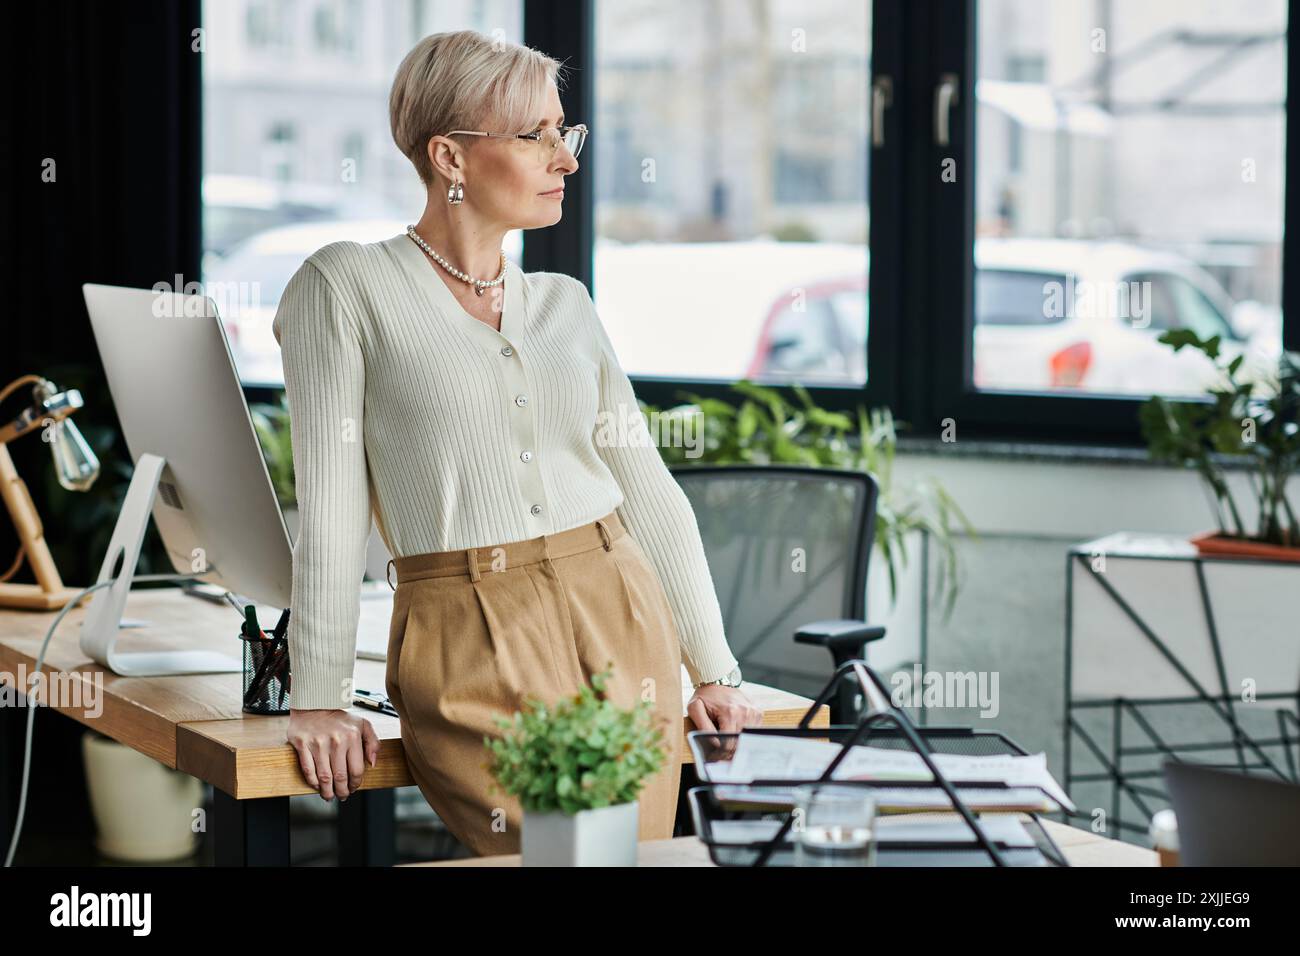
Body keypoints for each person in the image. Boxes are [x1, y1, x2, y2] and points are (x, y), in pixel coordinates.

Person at [272, 29, 761, 856]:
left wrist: (713, 669)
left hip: (617, 609)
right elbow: (331, 505)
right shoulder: (345, 286)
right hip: (461, 630)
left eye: (562, 132)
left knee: (622, 856)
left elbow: (648, 493)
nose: (564, 159)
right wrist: (318, 692)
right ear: (450, 158)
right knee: (543, 853)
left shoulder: (566, 303)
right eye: (535, 135)